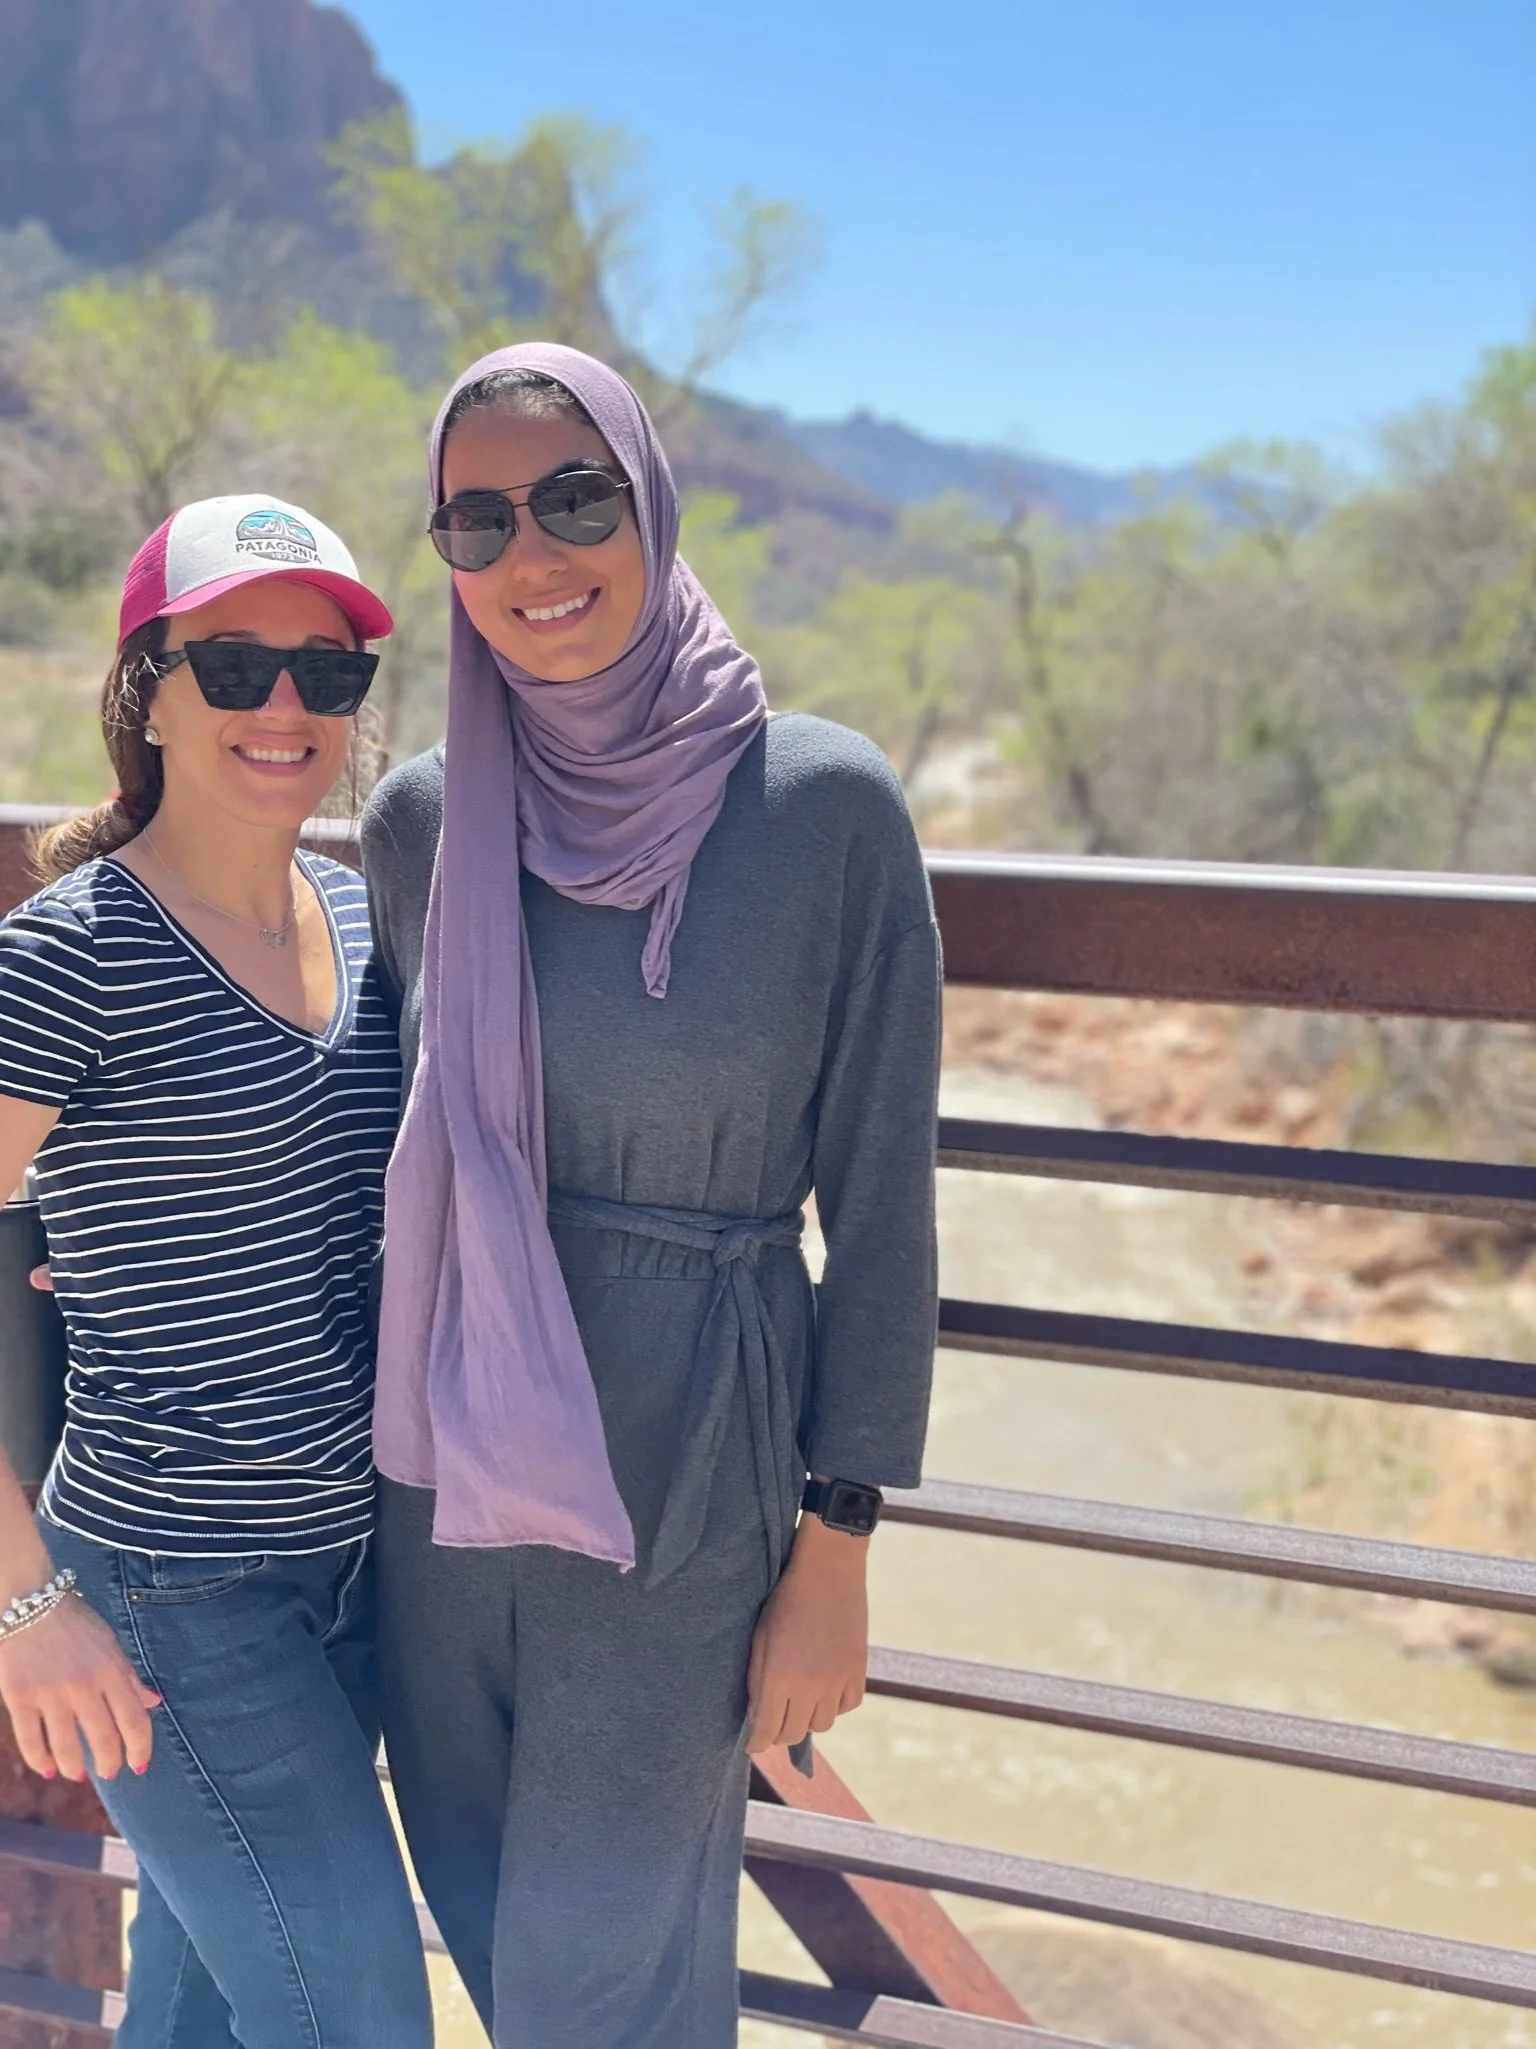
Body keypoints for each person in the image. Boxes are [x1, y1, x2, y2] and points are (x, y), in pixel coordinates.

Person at [364, 343, 942, 2048]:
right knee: (483, 1924)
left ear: (652, 505)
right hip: (436, 1478)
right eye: (479, 521)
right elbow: (366, 1131)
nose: (531, 556)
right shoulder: (420, 819)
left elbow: (884, 1207)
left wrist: (837, 1547)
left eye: (574, 499)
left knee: (601, 1984)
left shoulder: (823, 809)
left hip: (688, 1467)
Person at [0, 496, 432, 2049]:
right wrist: (25, 1602)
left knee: (202, 2013)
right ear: (152, 695)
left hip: (353, 1570)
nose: (286, 707)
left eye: (329, 673)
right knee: (356, 2017)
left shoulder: (367, 918)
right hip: (168, 1591)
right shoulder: (73, 951)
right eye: (237, 666)